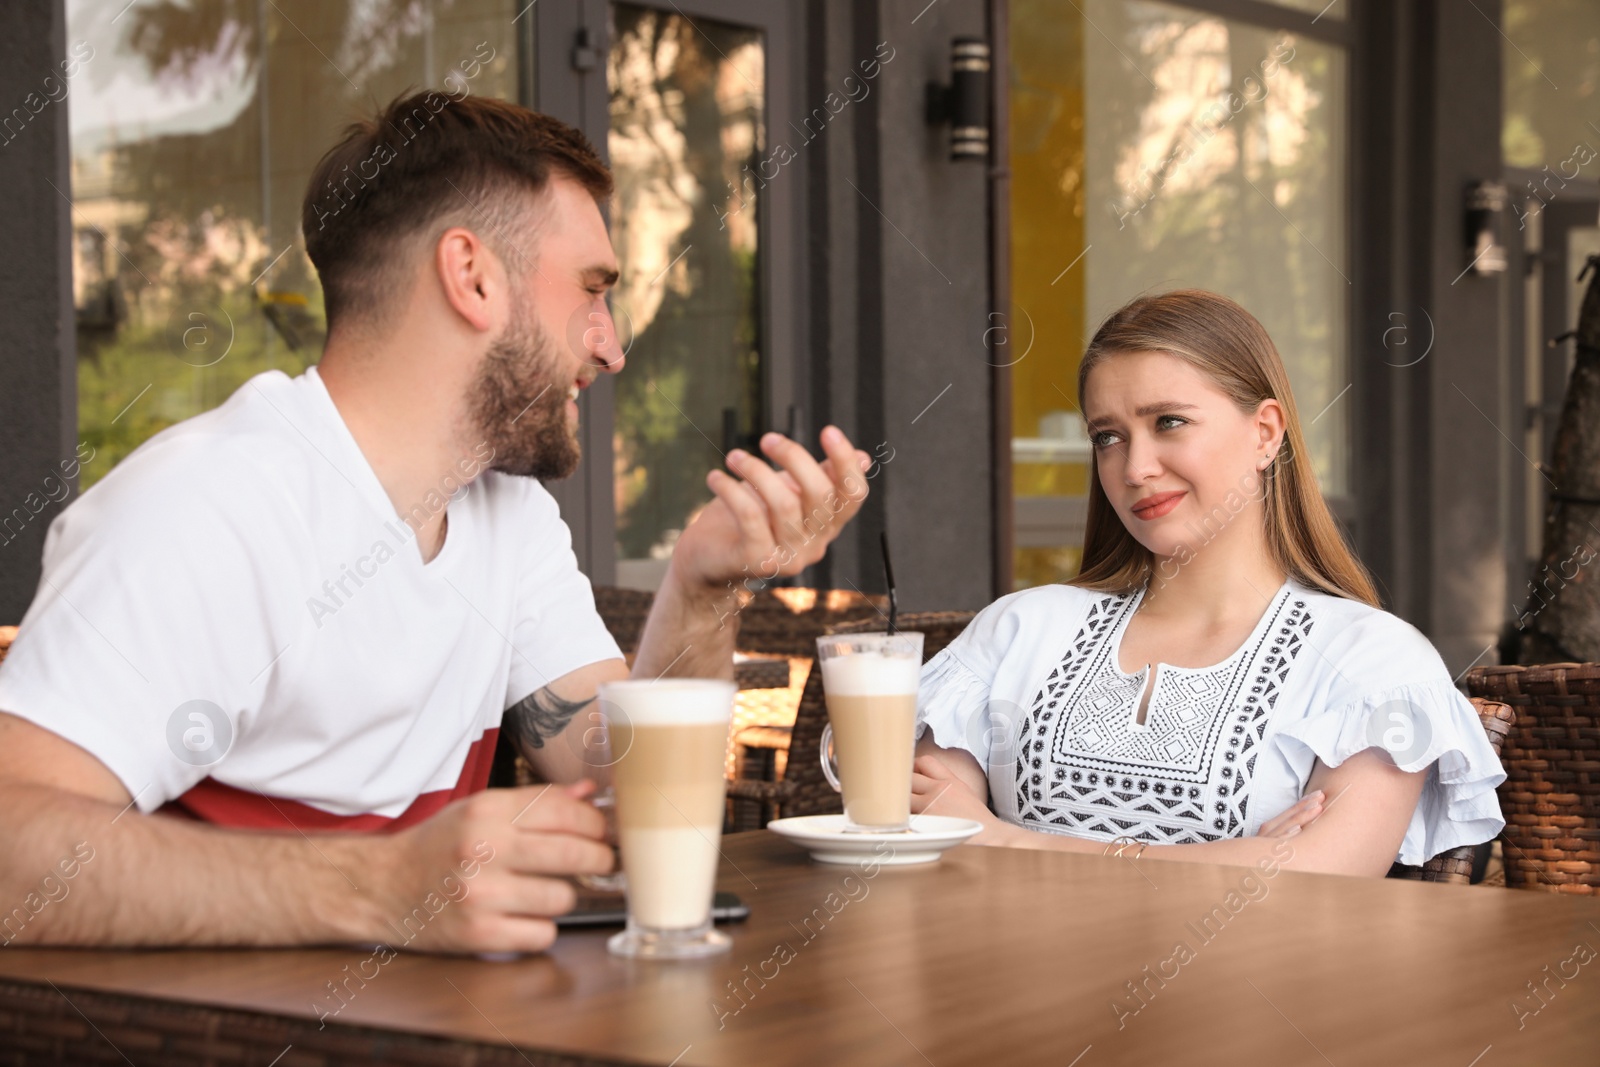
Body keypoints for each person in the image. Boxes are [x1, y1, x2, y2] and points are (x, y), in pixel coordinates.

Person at [0, 91, 871, 952]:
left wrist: (701, 584)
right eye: (592, 290)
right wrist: (383, 888)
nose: (611, 345)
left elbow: (647, 803)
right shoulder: (205, 507)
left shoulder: (508, 513)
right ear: (473, 275)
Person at [911, 290, 1505, 876]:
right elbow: (929, 842)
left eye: (1169, 422)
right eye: (1107, 437)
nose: (1135, 468)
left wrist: (1009, 844)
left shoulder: (1372, 661)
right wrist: (1238, 861)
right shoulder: (1019, 628)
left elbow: (1324, 886)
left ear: (1266, 433)